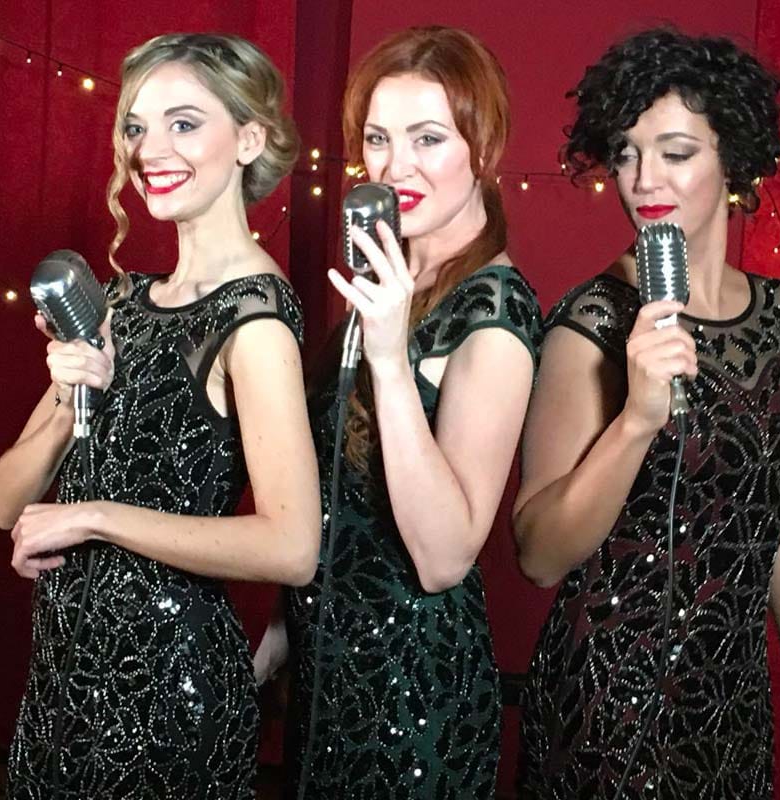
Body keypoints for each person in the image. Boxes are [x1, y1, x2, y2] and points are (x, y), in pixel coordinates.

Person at [0, 33, 320, 799]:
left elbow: (292, 546)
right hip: (64, 690)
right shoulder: (120, 301)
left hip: (168, 703)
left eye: (184, 123)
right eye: (138, 127)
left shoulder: (255, 321)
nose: (150, 150)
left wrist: (93, 518)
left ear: (249, 140)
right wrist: (66, 396)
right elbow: (8, 504)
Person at [254, 24, 542, 798]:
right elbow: (337, 493)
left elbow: (445, 557)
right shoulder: (390, 280)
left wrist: (388, 360)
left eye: (428, 138)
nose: (394, 166)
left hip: (414, 699)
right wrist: (282, 628)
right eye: (378, 139)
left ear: (484, 149)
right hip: (327, 676)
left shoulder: (495, 313)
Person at [513, 27, 780, 800]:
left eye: (675, 153)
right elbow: (538, 554)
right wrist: (636, 420)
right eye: (627, 153)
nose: (644, 179)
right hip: (607, 711)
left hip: (732, 711)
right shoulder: (592, 324)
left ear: (732, 159)